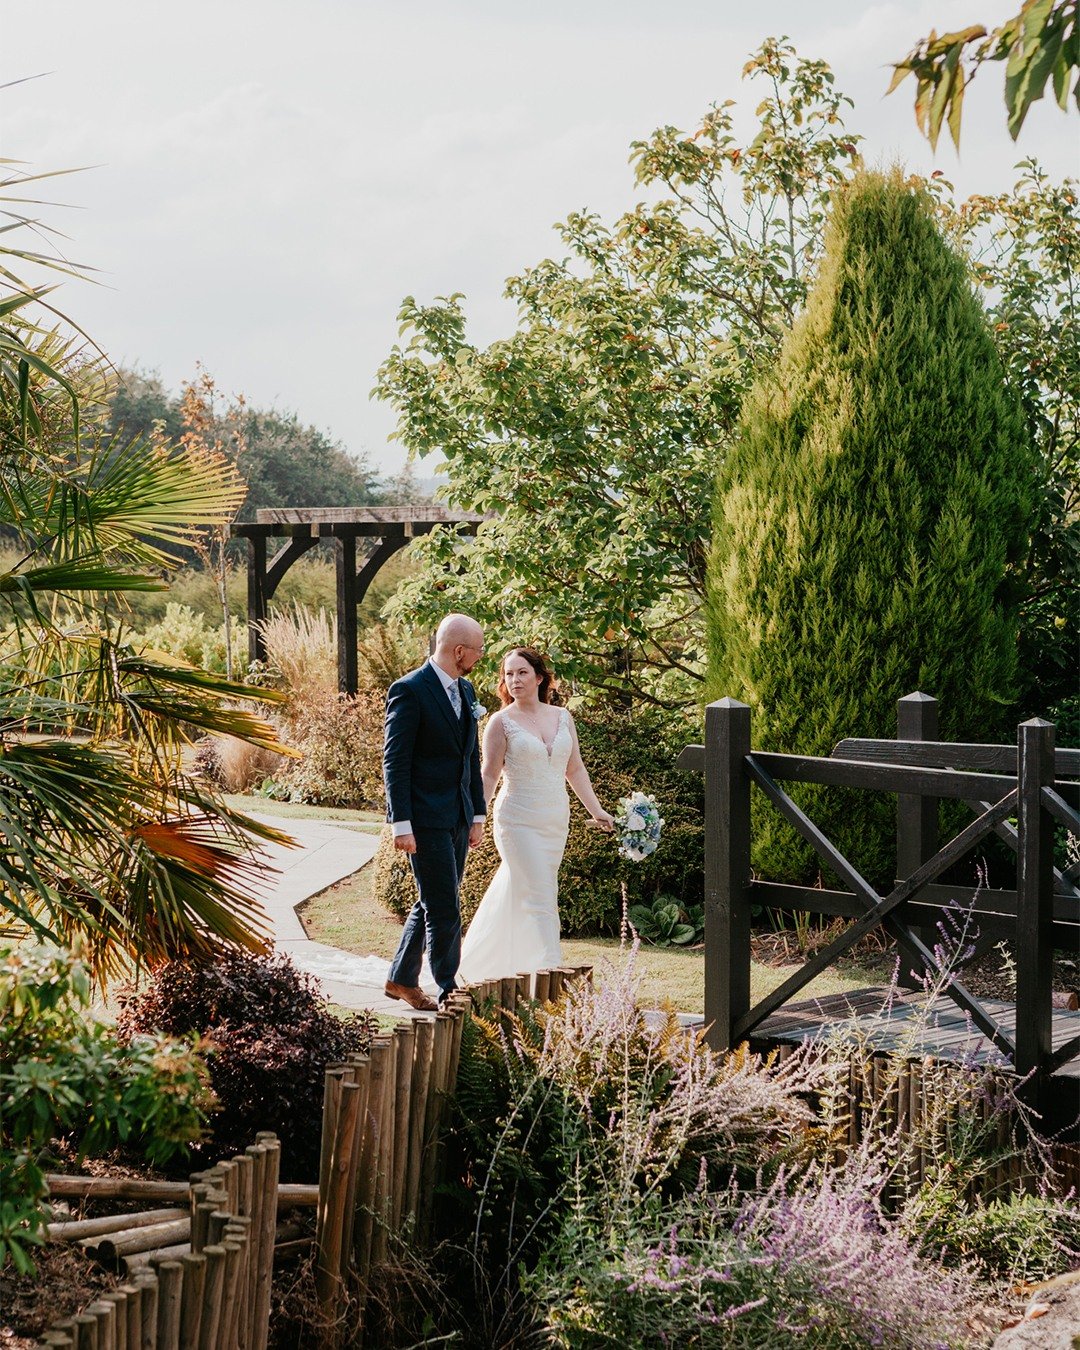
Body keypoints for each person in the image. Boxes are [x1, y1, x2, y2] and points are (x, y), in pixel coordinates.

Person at [457, 648, 614, 983]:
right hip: (516, 821)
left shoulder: (562, 718)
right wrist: (477, 819)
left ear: (540, 677)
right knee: (542, 894)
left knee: (522, 890)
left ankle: (492, 967)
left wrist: (597, 810)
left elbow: (574, 769)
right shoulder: (500, 722)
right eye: (509, 674)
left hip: (554, 821)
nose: (514, 680)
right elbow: (488, 775)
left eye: (522, 672)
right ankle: (551, 974)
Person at [383, 613, 487, 1011]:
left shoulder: (467, 688)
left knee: (432, 900)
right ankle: (449, 988)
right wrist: (401, 823)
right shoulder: (409, 690)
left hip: (458, 816)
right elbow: (395, 761)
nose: (479, 657)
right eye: (477, 650)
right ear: (459, 651)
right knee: (445, 907)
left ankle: (400, 979)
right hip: (424, 820)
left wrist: (476, 814)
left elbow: (469, 758)